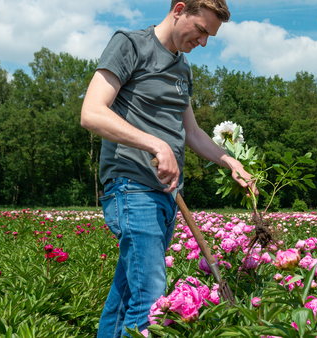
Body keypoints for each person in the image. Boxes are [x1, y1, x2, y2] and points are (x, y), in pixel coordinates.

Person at [80, 1, 255, 336]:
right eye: (201, 30)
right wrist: (156, 144)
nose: (203, 42)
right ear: (179, 10)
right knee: (150, 295)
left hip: (168, 194)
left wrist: (228, 160)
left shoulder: (182, 69)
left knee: (128, 292)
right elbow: (91, 112)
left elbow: (192, 132)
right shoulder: (130, 45)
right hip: (132, 185)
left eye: (210, 36)